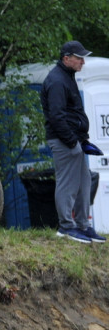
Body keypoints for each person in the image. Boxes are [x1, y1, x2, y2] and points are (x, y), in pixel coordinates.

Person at [40, 41, 105, 243]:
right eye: (79, 58)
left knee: (85, 183)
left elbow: (71, 114)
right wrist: (71, 141)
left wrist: (82, 141)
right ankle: (66, 227)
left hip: (73, 141)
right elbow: (56, 117)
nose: (82, 62)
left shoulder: (67, 76)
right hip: (63, 141)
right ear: (66, 58)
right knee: (67, 184)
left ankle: (83, 226)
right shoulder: (57, 80)